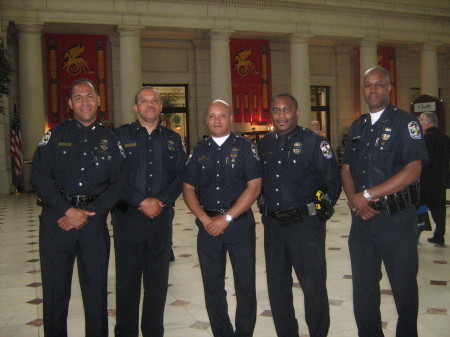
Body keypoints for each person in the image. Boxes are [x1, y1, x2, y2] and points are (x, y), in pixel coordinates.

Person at [31, 79, 125, 337]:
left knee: (96, 291)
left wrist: (89, 212)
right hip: (56, 221)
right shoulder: (54, 135)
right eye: (79, 97)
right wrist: (66, 210)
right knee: (55, 291)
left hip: (93, 224)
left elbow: (119, 183)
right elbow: (39, 177)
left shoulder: (110, 139)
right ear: (70, 103)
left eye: (90, 96)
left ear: (98, 101)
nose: (85, 102)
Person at [341, 67, 428, 337]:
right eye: (368, 85)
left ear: (389, 88)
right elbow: (346, 169)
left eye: (379, 85)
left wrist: (367, 195)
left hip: (397, 220)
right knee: (364, 290)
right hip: (363, 222)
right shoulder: (358, 125)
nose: (373, 90)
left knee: (403, 288)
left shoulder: (406, 123)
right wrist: (356, 202)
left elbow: (412, 171)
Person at [258, 94, 341, 337]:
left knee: (313, 287)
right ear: (270, 113)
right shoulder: (264, 144)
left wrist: (316, 216)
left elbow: (332, 183)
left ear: (296, 111)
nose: (281, 115)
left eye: (286, 110)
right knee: (278, 288)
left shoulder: (314, 142)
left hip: (305, 227)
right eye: (276, 110)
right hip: (273, 226)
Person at [183, 100, 262, 337]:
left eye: (222, 115)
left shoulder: (246, 147)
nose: (217, 120)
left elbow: (254, 186)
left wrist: (226, 218)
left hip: (238, 224)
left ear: (230, 118)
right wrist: (205, 219)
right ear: (206, 120)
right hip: (208, 227)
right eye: (212, 116)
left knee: (245, 284)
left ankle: (244, 332)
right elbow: (188, 188)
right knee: (213, 285)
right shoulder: (199, 150)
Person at [111, 86, 186, 337]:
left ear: (160, 107)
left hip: (161, 219)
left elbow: (180, 176)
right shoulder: (120, 136)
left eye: (154, 100)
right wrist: (141, 201)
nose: (150, 104)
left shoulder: (173, 139)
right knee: (127, 281)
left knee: (157, 282)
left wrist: (161, 201)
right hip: (128, 218)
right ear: (136, 107)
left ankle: (154, 331)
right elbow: (114, 176)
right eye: (144, 101)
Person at [418, 112, 449, 245]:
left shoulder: (425, 139)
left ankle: (418, 230)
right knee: (439, 208)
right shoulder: (445, 138)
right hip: (441, 179)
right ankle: (439, 235)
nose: (419, 122)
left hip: (427, 179)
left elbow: (423, 160)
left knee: (420, 204)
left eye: (421, 119)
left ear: (428, 122)